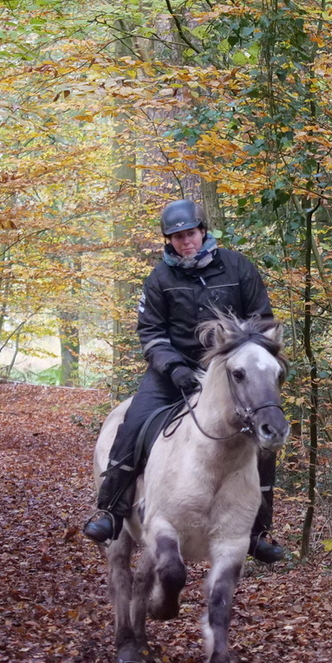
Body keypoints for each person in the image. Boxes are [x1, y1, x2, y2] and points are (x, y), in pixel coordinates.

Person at [83, 199, 285, 564]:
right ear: (169, 241)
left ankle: (259, 531)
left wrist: (241, 359)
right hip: (172, 373)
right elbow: (151, 332)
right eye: (177, 237)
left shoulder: (239, 268)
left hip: (230, 374)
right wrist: (174, 367)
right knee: (133, 423)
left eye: (190, 233)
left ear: (203, 232)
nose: (185, 241)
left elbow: (261, 322)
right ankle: (111, 510)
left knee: (264, 433)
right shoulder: (160, 278)